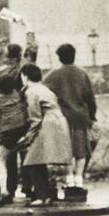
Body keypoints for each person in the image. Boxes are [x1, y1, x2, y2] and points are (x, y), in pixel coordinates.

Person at [45, 43, 97, 192]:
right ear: (74, 55)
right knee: (81, 150)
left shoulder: (53, 74)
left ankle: (69, 179)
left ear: (59, 57)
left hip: (63, 117)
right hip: (81, 117)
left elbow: (43, 91)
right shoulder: (82, 73)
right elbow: (90, 98)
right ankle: (79, 180)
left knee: (66, 149)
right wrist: (92, 115)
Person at [20, 63, 73, 204]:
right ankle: (46, 195)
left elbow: (35, 118)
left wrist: (27, 137)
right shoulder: (44, 89)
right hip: (57, 121)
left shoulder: (31, 92)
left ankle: (41, 196)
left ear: (25, 77)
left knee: (31, 160)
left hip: (48, 123)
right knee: (39, 159)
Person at [0, 43, 30, 206]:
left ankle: (8, 190)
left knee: (7, 159)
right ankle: (28, 188)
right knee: (26, 158)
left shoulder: (1, 73)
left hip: (6, 129)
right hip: (23, 123)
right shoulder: (22, 73)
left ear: (10, 57)